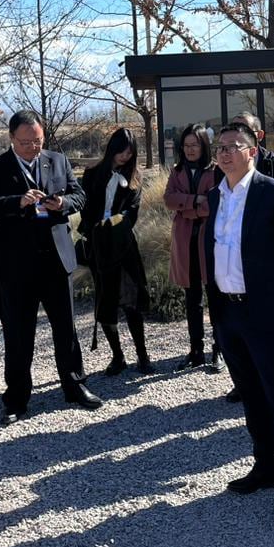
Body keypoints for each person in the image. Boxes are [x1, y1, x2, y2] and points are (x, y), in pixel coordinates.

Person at [205, 124, 274, 529]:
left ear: (253, 151)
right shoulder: (216, 195)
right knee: (252, 397)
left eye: (234, 147)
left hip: (267, 315)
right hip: (229, 314)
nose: (225, 153)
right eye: (221, 147)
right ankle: (266, 466)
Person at [0, 110, 101, 423]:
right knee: (19, 333)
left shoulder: (57, 160)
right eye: (25, 142)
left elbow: (79, 195)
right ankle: (17, 398)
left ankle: (74, 385)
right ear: (11, 139)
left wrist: (62, 204)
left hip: (56, 259)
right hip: (16, 263)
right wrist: (17, 202)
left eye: (37, 141)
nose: (33, 147)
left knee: (66, 327)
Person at [80, 128, 154, 375]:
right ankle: (117, 356)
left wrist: (114, 224)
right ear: (112, 148)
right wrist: (95, 228)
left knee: (131, 300)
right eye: (122, 150)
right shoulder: (91, 175)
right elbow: (86, 208)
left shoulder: (135, 177)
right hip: (98, 244)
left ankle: (143, 355)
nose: (125, 156)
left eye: (130, 152)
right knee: (106, 301)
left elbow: (133, 212)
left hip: (123, 244)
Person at [164, 123, 224, 372]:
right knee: (192, 299)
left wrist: (187, 205)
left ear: (204, 146)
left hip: (209, 240)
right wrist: (196, 201)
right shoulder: (177, 171)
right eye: (186, 145)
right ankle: (195, 349)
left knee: (215, 297)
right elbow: (169, 199)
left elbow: (216, 202)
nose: (190, 150)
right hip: (185, 240)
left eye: (194, 145)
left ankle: (218, 349)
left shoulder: (216, 170)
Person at [230, 111, 274, 189]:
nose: (238, 135)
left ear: (259, 135)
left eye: (245, 131)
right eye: (234, 130)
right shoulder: (224, 167)